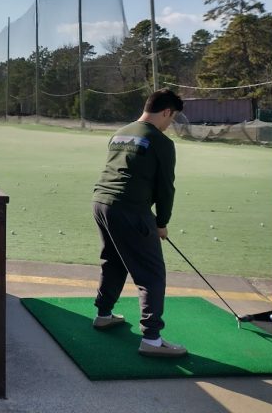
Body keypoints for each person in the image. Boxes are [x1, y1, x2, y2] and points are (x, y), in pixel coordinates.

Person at [91, 88, 186, 357]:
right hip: (129, 210)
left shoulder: (121, 132)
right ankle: (152, 339)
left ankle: (103, 314)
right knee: (151, 274)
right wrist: (162, 222)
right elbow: (166, 188)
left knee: (114, 260)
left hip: (101, 203)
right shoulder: (161, 142)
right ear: (166, 112)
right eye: (172, 118)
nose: (170, 124)